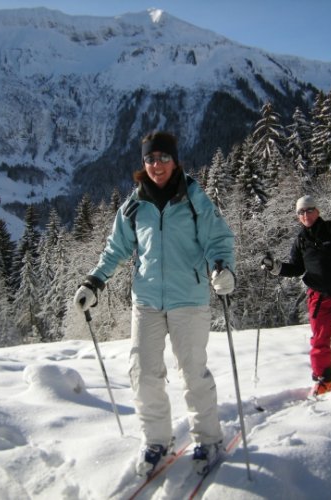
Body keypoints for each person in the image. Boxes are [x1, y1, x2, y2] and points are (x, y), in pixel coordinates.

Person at [73, 131, 236, 476]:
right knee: (143, 373)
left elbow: (218, 239)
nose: (156, 165)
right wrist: (94, 281)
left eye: (163, 158)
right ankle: (157, 442)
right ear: (142, 163)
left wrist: (222, 267)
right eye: (150, 159)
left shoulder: (194, 198)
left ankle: (209, 441)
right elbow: (116, 249)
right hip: (146, 301)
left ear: (175, 160)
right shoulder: (134, 205)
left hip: (188, 300)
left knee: (193, 373)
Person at [261, 195, 331, 397]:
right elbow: (296, 268)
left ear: (317, 211)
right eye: (301, 212)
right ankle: (324, 381)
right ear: (298, 217)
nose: (305, 215)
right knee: (319, 340)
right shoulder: (301, 241)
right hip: (319, 297)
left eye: (309, 210)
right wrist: (276, 268)